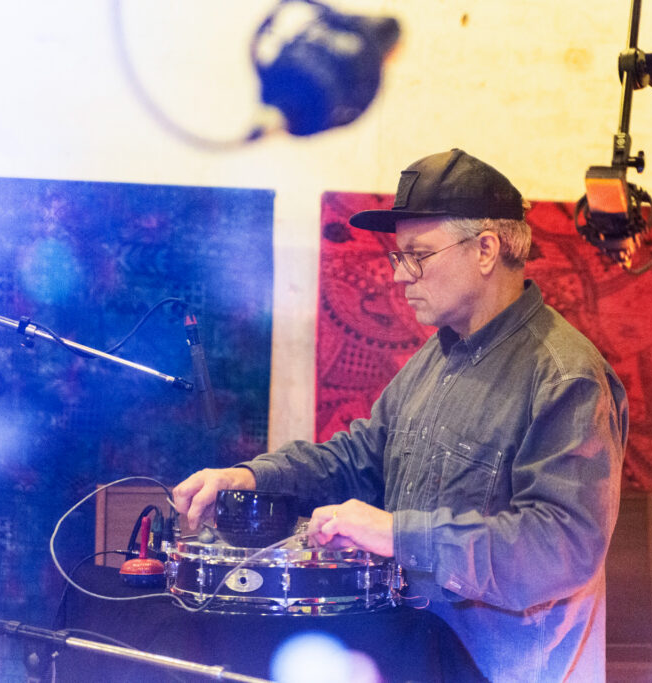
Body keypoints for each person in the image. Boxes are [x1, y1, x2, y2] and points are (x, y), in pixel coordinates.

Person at [173, 148, 628, 682]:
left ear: (486, 249)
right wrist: (251, 478)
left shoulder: (565, 375)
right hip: (417, 656)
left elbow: (561, 548)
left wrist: (399, 535)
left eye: (419, 255)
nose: (399, 276)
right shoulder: (436, 356)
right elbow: (359, 458)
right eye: (400, 256)